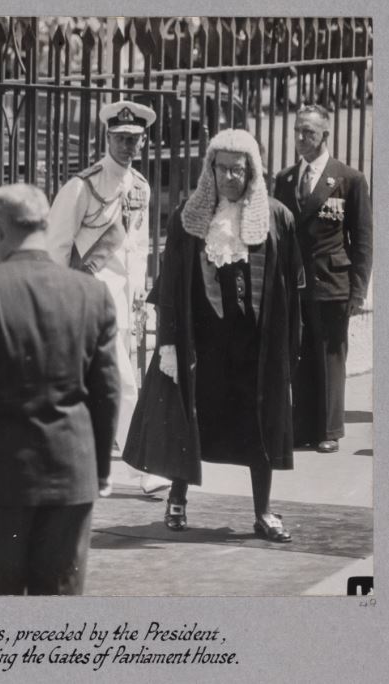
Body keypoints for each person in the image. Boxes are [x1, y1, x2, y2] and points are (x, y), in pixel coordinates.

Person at [0, 183, 120, 595]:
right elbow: (106, 393)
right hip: (71, 475)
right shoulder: (93, 295)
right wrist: (101, 469)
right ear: (44, 226)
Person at [123, 128, 304, 543]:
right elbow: (168, 286)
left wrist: (290, 350)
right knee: (192, 419)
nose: (228, 178)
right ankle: (177, 500)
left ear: (252, 172)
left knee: (259, 426)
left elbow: (292, 293)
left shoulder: (278, 218)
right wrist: (167, 343)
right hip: (200, 342)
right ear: (210, 170)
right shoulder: (188, 217)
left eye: (237, 171)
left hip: (254, 346)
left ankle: (262, 512)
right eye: (220, 169)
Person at [47, 99, 168, 495]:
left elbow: (138, 248)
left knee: (91, 385)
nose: (127, 146)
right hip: (88, 297)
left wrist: (139, 296)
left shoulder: (142, 187)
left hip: (123, 300)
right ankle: (144, 466)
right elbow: (57, 247)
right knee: (122, 381)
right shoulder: (82, 185)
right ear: (107, 137)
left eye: (133, 139)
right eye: (120, 138)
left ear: (144, 141)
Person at [274, 104, 373, 453]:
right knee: (299, 355)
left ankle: (329, 430)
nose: (301, 138)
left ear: (325, 136)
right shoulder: (285, 179)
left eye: (309, 133)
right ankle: (302, 426)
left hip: (332, 282)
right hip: (295, 284)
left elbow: (362, 240)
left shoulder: (348, 179)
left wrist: (358, 292)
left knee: (330, 356)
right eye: (298, 130)